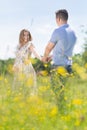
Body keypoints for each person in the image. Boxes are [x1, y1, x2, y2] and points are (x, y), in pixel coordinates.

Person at [42, 9, 77, 73]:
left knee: (56, 83)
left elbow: (48, 48)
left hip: (58, 67)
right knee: (68, 83)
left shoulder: (57, 31)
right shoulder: (73, 33)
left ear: (58, 19)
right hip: (69, 67)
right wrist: (52, 56)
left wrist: (44, 58)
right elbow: (65, 50)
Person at [13, 29, 41, 95]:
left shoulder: (29, 44)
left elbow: (35, 53)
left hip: (27, 67)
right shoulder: (18, 46)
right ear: (21, 36)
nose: (26, 37)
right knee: (18, 88)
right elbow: (17, 58)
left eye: (28, 35)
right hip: (18, 68)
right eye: (24, 35)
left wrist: (41, 58)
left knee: (29, 87)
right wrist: (14, 66)